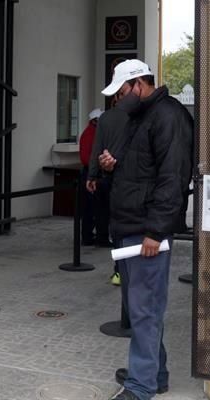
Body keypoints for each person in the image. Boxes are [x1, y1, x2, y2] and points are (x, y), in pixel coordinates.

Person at [98, 59, 193, 400]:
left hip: (145, 231)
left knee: (144, 311)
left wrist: (155, 231)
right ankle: (154, 373)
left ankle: (139, 387)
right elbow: (136, 171)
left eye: (122, 92)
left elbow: (172, 178)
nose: (118, 100)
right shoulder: (137, 118)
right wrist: (109, 166)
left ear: (138, 84)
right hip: (130, 227)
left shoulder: (168, 116)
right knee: (143, 309)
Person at [88, 95, 130, 284]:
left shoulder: (106, 119)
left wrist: (92, 175)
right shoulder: (140, 115)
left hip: (110, 177)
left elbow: (97, 148)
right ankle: (130, 268)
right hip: (135, 178)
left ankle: (119, 270)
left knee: (116, 225)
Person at [78, 109, 104, 245]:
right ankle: (88, 236)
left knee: (91, 208)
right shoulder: (91, 134)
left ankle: (89, 235)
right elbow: (86, 157)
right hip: (92, 173)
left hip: (91, 171)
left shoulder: (90, 133)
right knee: (91, 208)